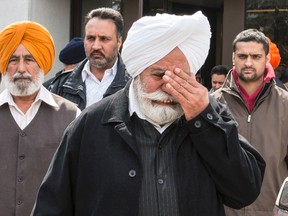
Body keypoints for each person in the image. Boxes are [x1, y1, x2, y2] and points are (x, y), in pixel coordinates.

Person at [31, 12, 265, 216]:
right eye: (158, 74)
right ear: (137, 71)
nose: (169, 86)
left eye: (180, 76)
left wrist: (204, 119)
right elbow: (52, 206)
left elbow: (245, 191)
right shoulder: (90, 124)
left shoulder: (211, 117)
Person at [0, 21, 80, 216]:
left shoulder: (72, 115)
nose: (21, 68)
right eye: (13, 60)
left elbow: (81, 183)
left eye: (29, 59)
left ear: (42, 62)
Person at [213, 29, 288, 216]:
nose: (248, 62)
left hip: (271, 211)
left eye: (255, 56)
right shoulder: (212, 105)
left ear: (267, 59)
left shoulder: (286, 104)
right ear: (233, 58)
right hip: (223, 211)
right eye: (242, 56)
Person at [47, 7, 130, 110]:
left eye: (104, 39)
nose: (96, 46)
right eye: (91, 38)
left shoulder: (133, 85)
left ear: (119, 42)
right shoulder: (61, 85)